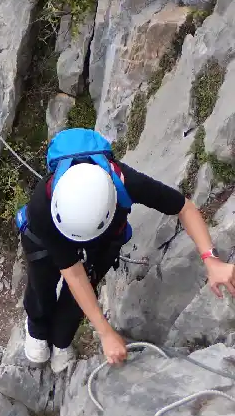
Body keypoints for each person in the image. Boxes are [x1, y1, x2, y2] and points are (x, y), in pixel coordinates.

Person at [17, 128, 235, 373]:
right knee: (41, 283)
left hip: (103, 240)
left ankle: (61, 339)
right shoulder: (42, 205)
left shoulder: (126, 182)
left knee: (81, 290)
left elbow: (183, 208)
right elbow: (73, 274)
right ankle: (36, 327)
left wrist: (211, 259)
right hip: (45, 236)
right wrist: (106, 333)